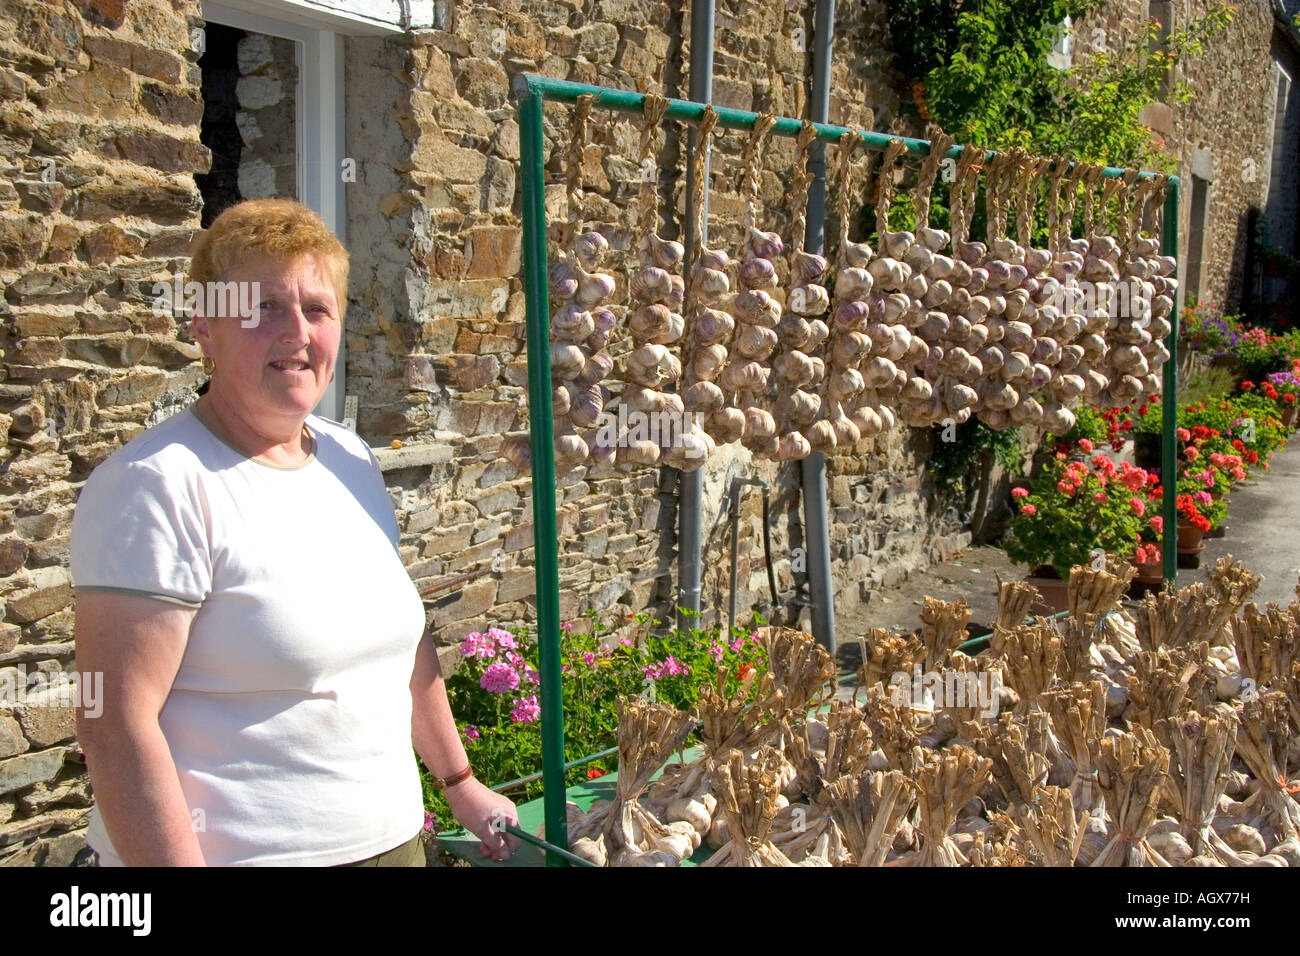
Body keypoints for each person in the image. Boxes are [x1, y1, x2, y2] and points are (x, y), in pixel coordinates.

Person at [70, 198, 520, 866]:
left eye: (317, 308)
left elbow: (404, 644)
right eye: (264, 308)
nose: (296, 333)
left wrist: (459, 783)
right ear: (205, 327)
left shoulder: (350, 461)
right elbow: (113, 726)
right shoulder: (157, 484)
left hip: (392, 844)